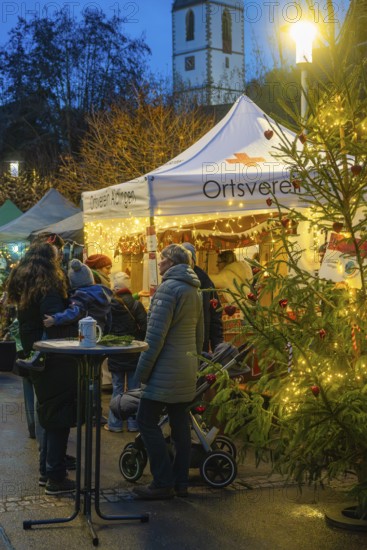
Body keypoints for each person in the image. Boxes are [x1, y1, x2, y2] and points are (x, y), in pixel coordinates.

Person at [132, 244, 204, 500]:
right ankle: (180, 482)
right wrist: (194, 365)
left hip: (165, 370)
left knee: (146, 421)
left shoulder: (168, 289)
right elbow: (199, 334)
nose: (159, 262)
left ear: (172, 263)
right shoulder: (194, 289)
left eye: (162, 258)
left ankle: (162, 481)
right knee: (181, 427)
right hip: (185, 368)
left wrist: (141, 372)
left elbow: (155, 337)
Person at [6, 242, 78, 495]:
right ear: (51, 262)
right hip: (52, 357)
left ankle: (47, 470)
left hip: (34, 355)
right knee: (57, 415)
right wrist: (73, 311)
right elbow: (52, 320)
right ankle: (55, 476)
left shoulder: (25, 284)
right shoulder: (48, 286)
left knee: (46, 411)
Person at [104, 272, 147, 433]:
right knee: (134, 389)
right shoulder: (136, 305)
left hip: (116, 352)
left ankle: (114, 424)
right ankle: (133, 423)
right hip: (134, 352)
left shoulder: (110, 306)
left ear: (115, 288)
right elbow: (145, 327)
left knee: (117, 388)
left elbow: (106, 327)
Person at [43, 259, 112, 333]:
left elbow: (75, 312)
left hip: (85, 332)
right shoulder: (102, 292)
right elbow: (109, 316)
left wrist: (55, 319)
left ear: (72, 282)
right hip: (99, 331)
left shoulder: (81, 295)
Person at [181, 242, 223, 353]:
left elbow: (215, 315)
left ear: (193, 260)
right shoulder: (175, 281)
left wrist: (217, 346)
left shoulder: (205, 282)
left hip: (200, 342)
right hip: (179, 342)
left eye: (188, 258)